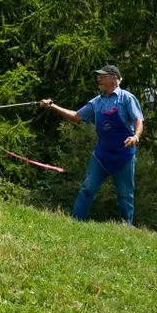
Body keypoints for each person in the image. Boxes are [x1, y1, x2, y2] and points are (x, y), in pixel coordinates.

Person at [40, 64, 144, 225]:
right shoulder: (96, 102)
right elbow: (76, 116)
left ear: (114, 79)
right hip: (101, 155)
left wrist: (136, 136)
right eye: (98, 76)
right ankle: (75, 222)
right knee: (87, 189)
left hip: (124, 156)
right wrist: (52, 106)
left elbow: (139, 119)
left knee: (125, 195)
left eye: (103, 76)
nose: (99, 79)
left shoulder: (127, 98)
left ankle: (126, 227)